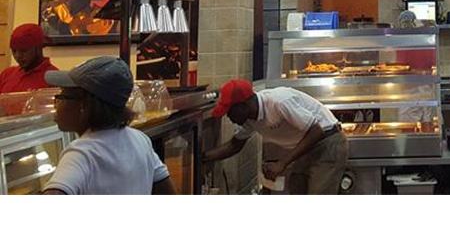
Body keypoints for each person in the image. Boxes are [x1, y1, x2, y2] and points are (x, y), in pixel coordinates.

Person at [42, 56, 176, 195]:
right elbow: (166, 191)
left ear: (84, 105)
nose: (56, 105)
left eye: (61, 97)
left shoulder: (82, 153)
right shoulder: (140, 139)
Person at [203, 79, 348, 194]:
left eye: (230, 112)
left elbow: (316, 131)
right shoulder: (248, 119)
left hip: (327, 142)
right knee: (297, 189)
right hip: (307, 146)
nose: (229, 117)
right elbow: (235, 145)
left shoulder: (279, 102)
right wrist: (203, 157)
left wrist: (282, 163)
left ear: (244, 104)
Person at [0, 24, 58, 94]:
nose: (18, 56)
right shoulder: (6, 75)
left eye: (23, 51)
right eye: (14, 51)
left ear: (38, 48)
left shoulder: (53, 78)